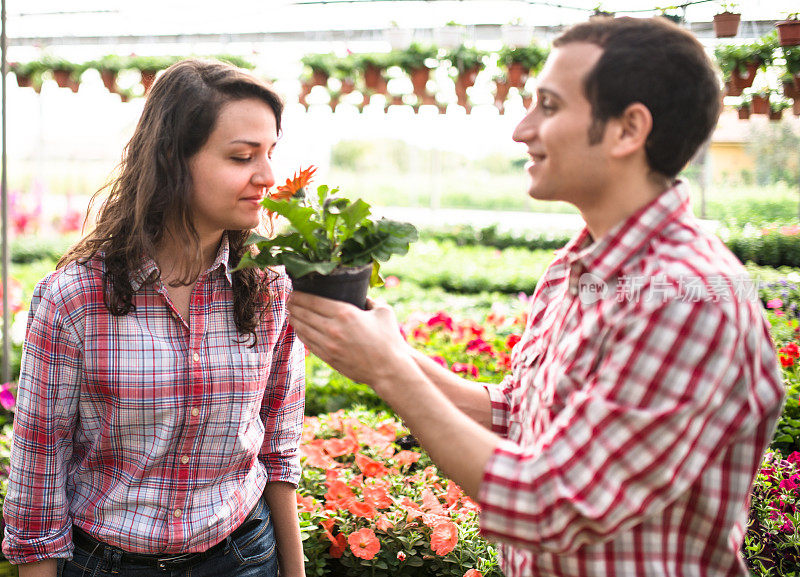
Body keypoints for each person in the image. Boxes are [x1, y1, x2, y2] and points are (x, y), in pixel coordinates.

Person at [287, 17, 785, 577]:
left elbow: (555, 504)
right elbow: (520, 414)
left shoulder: (685, 297)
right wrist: (388, 353)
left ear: (628, 130)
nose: (521, 130)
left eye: (548, 106)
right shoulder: (578, 265)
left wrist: (389, 372)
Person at [2, 59, 306, 577]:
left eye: (271, 153)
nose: (268, 178)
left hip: (242, 557)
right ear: (172, 159)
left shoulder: (269, 287)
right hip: (105, 563)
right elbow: (38, 473)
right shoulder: (75, 298)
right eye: (242, 156)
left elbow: (278, 446)